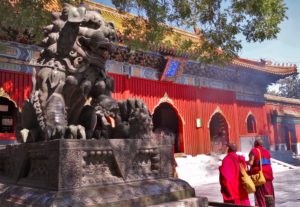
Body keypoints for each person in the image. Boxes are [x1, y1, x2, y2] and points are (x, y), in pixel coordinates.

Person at [248, 138, 274, 207]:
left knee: (260, 196)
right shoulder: (267, 152)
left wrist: (244, 162)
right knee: (269, 194)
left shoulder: (254, 151)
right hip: (268, 176)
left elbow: (251, 163)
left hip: (260, 176)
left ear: (255, 144)